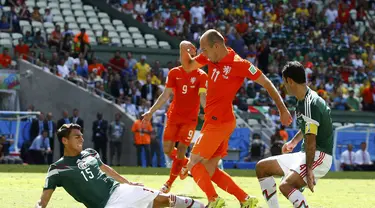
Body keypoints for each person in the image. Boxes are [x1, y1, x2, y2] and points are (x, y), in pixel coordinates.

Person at [179, 29, 292, 208]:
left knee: (193, 164)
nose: (202, 53)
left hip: (219, 122)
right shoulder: (210, 57)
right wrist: (183, 46)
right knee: (209, 170)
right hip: (219, 121)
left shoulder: (240, 64)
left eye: (205, 49)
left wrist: (282, 109)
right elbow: (188, 66)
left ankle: (213, 200)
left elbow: (267, 83)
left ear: (216, 46)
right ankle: (245, 199)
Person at [35, 124, 204, 208]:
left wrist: (128, 183)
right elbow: (43, 202)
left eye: (81, 136)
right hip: (107, 206)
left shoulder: (91, 153)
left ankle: (202, 207)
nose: (81, 139)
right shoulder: (57, 169)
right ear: (64, 141)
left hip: (120, 190)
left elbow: (106, 168)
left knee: (165, 199)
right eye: (76, 137)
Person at [255, 61, 333, 208]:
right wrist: (293, 142)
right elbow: (308, 128)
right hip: (307, 153)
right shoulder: (303, 100)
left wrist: (309, 169)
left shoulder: (311, 103)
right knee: (262, 167)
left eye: (284, 82)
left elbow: (311, 140)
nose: (283, 86)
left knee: (285, 186)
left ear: (289, 81)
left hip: (319, 155)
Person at [142, 47, 207, 193]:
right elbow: (165, 95)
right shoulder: (174, 73)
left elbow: (202, 96)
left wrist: (209, 111)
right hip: (173, 117)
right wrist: (151, 111)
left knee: (181, 151)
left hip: (190, 119)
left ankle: (168, 183)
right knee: (167, 150)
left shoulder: (202, 76)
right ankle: (187, 164)